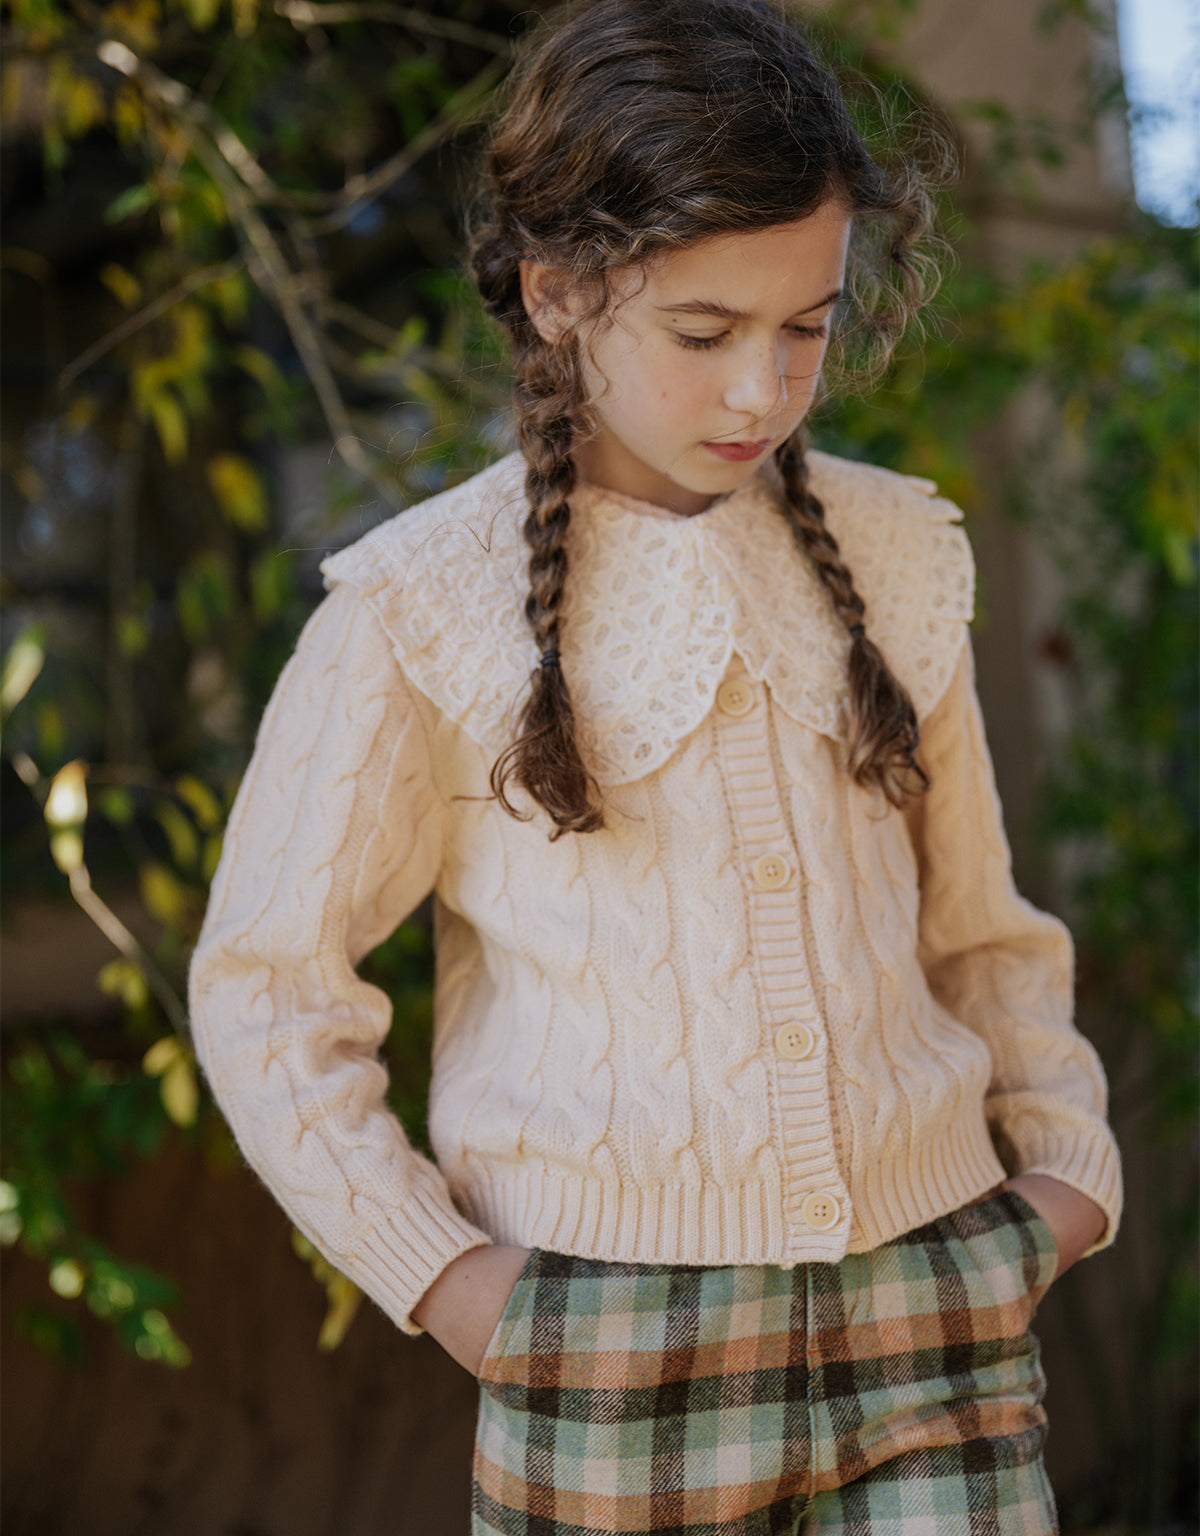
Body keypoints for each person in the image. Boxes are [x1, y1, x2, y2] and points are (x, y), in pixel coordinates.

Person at [188, 1, 1122, 1530]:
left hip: (940, 1298)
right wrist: (450, 1281)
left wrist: (1063, 1182)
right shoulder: (421, 609)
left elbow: (980, 928)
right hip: (604, 1351)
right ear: (557, 291)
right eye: (704, 333)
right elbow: (263, 986)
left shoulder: (894, 554)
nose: (762, 390)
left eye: (805, 328)